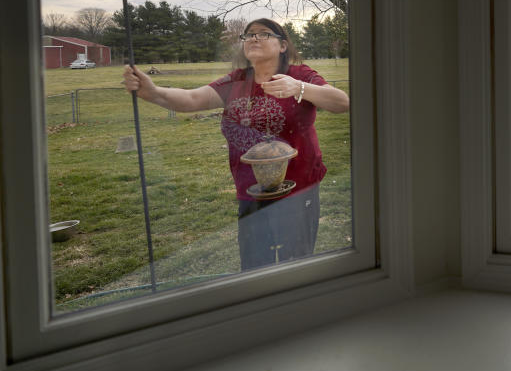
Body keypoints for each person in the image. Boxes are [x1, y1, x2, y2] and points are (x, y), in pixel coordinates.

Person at [122, 18, 349, 270]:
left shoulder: (299, 75)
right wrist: (153, 92)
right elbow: (192, 98)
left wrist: (300, 88)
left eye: (263, 34)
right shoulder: (237, 80)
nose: (253, 38)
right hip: (251, 191)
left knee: (294, 267)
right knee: (254, 269)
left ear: (283, 45)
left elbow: (341, 102)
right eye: (248, 35)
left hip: (296, 192)